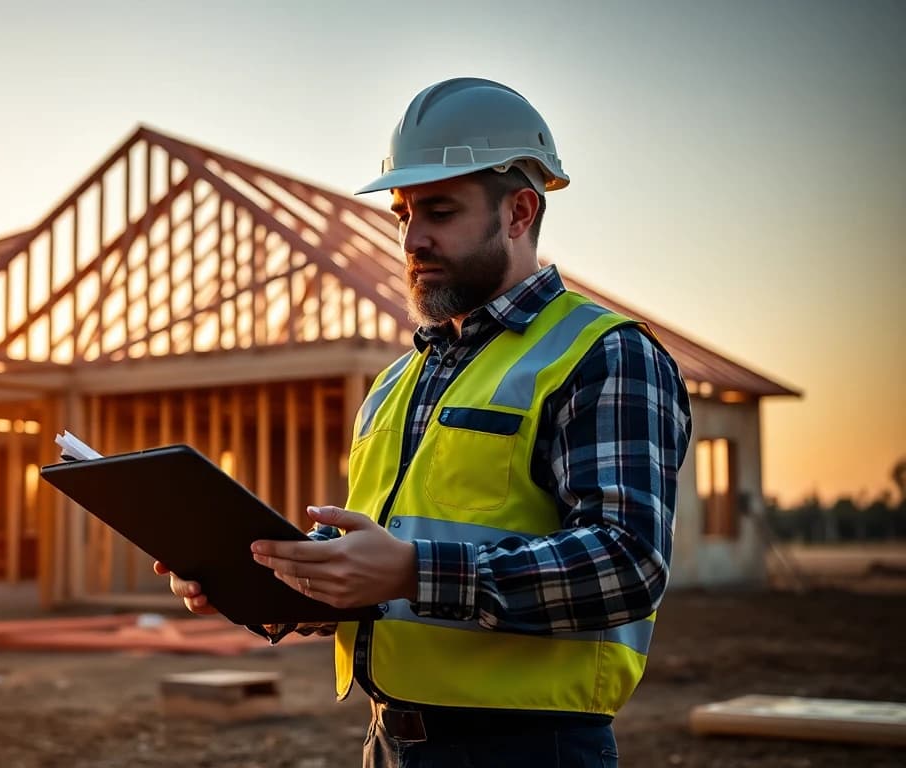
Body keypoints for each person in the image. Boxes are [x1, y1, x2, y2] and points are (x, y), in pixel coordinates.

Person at [155, 77, 692, 767]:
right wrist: (256, 581)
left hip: (530, 749)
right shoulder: (395, 384)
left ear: (519, 212)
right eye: (402, 213)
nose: (412, 237)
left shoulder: (603, 353)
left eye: (438, 211)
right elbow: (374, 578)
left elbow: (627, 562)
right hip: (389, 744)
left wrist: (413, 571)